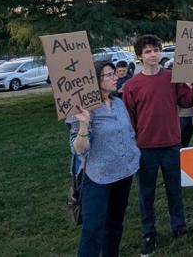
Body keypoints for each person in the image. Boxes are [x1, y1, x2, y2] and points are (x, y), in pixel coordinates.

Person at [122, 34, 193, 257]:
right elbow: (130, 118)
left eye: (156, 50)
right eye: (148, 51)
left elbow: (187, 101)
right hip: (145, 148)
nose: (153, 54)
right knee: (146, 193)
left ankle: (179, 228)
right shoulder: (131, 86)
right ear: (139, 56)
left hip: (171, 144)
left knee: (174, 190)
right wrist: (134, 144)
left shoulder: (172, 77)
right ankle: (149, 234)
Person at [67, 61, 140, 257]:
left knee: (115, 224)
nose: (115, 77)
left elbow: (129, 132)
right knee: (92, 230)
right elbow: (79, 149)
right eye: (109, 75)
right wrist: (84, 125)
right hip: (98, 176)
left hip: (124, 173)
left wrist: (133, 152)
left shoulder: (118, 102)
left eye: (114, 73)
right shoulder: (83, 109)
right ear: (95, 80)